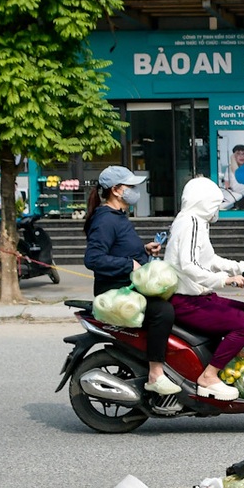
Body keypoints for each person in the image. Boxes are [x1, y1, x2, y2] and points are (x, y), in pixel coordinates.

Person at [82, 165, 179, 396]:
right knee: (162, 311)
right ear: (116, 190)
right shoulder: (105, 220)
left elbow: (118, 248)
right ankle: (155, 374)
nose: (135, 191)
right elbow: (93, 258)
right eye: (131, 186)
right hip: (115, 290)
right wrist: (129, 264)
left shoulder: (118, 216)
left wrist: (144, 250)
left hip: (127, 285)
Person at [165, 175, 244, 401]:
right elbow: (189, 265)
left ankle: (220, 361)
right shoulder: (190, 222)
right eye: (215, 204)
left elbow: (209, 259)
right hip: (186, 301)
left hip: (200, 296)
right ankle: (209, 376)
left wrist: (242, 267)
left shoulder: (195, 221)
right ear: (204, 201)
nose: (217, 209)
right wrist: (225, 280)